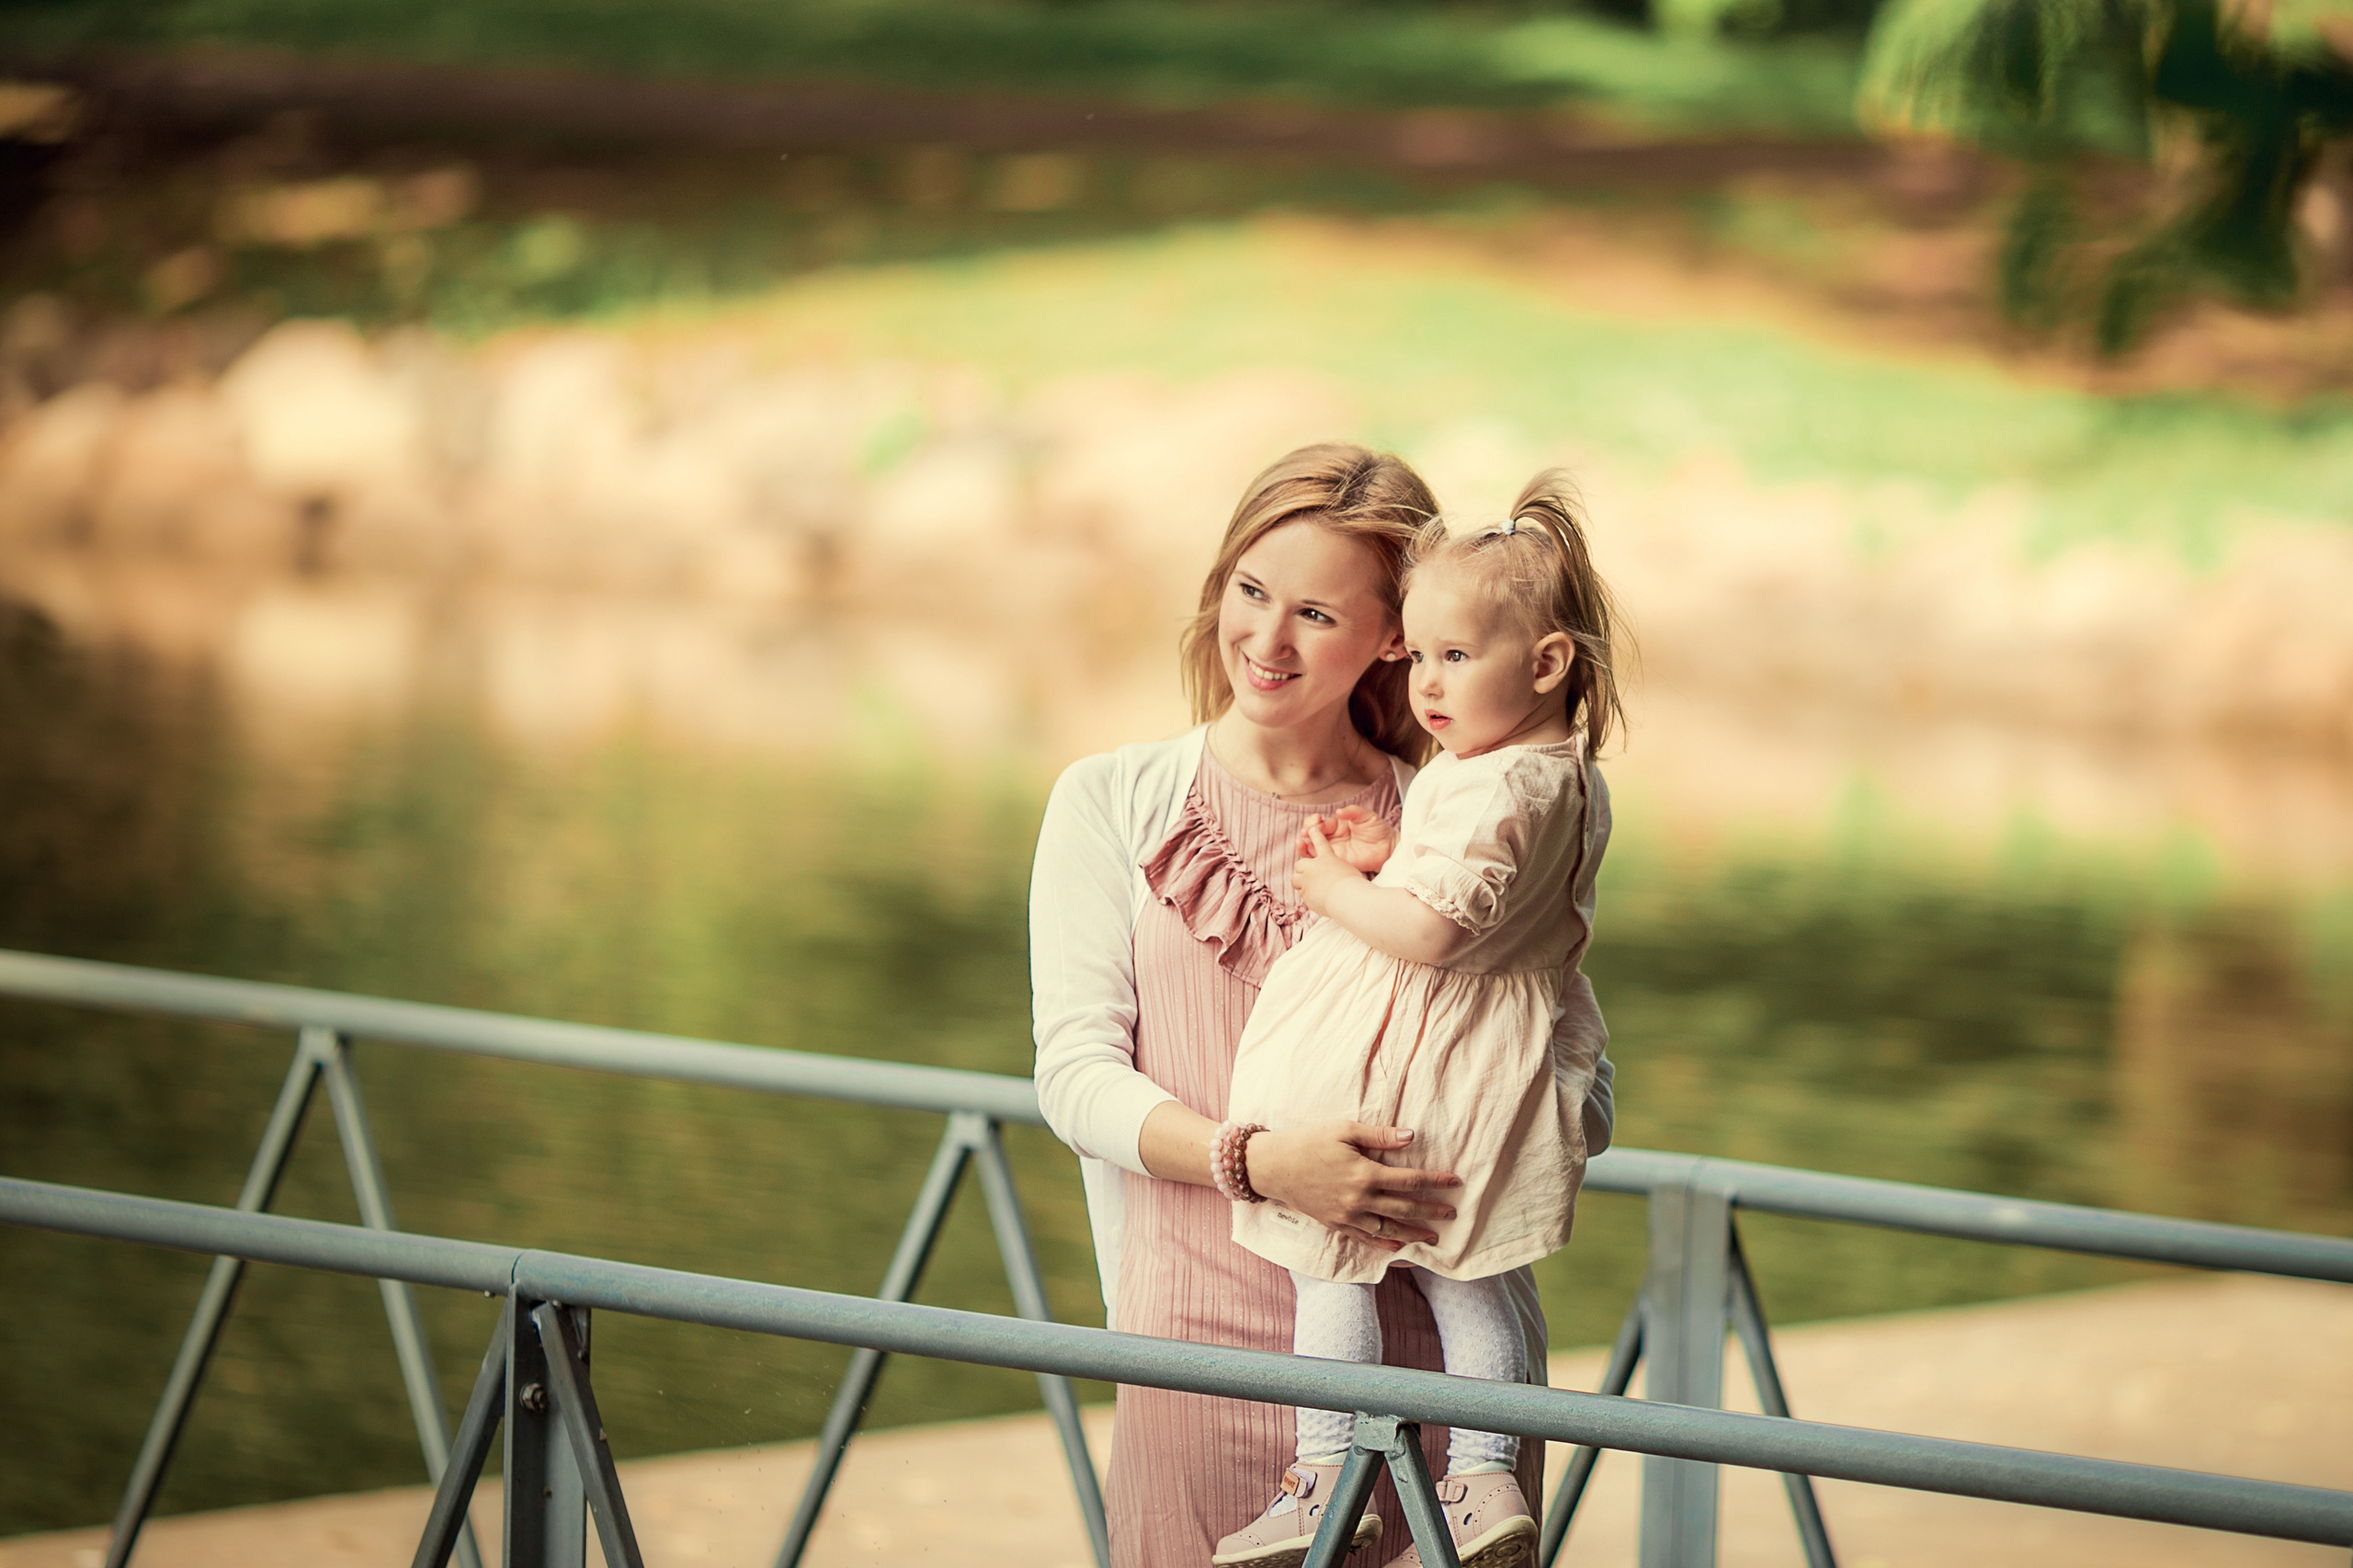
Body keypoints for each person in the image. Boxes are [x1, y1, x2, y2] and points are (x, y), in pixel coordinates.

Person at [1029, 444, 1617, 1568]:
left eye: (1316, 613)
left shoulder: (1456, 807)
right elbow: (1073, 1078)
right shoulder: (1113, 799)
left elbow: (1572, 1066)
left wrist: (1475, 1138)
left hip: (1445, 1380)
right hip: (1198, 1348)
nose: (1267, 638)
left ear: (1393, 636)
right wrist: (1260, 1160)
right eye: (1251, 590)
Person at [1210, 475, 1621, 1568]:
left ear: (1546, 662)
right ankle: (1484, 1479)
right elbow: (1498, 896)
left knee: (1329, 1255)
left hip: (1426, 1072)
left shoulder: (1491, 785)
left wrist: (1337, 890)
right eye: (1420, 654)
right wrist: (1395, 854)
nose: (1425, 681)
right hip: (1488, 1064)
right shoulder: (1553, 774)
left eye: (1456, 655)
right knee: (1464, 1267)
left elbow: (1438, 931)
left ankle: (1325, 1476)